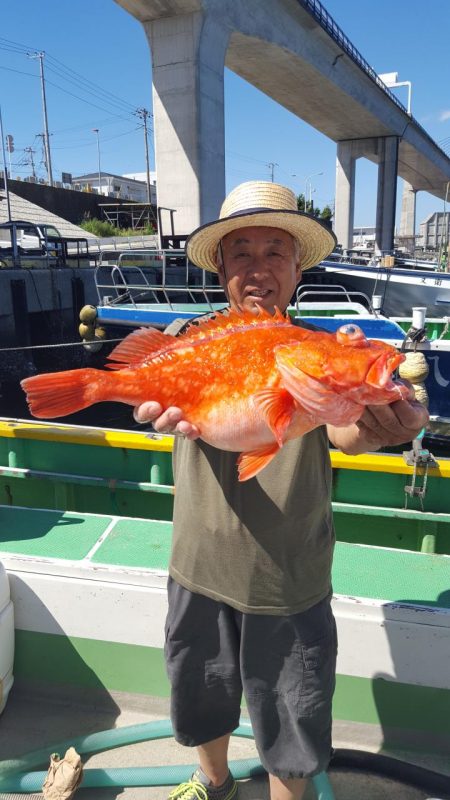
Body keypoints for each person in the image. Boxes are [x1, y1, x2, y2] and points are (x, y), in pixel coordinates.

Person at [134, 181, 428, 800]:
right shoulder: (196, 335)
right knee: (200, 693)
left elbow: (348, 432)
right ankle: (212, 780)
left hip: (288, 575)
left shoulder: (312, 349)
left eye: (276, 251)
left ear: (298, 267)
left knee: (292, 720)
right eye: (241, 252)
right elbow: (158, 389)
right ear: (220, 267)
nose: (259, 268)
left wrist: (387, 421)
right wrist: (145, 403)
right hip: (198, 563)